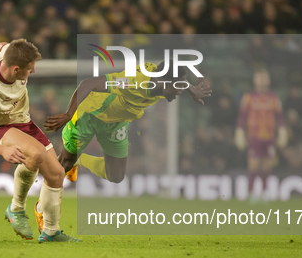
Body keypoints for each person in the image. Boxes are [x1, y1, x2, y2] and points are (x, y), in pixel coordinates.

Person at [0, 38, 79, 243]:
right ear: (16, 69)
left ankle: (51, 232)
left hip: (21, 120)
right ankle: (16, 209)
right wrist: (2, 151)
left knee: (56, 174)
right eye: (30, 69)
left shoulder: (8, 52)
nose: (33, 71)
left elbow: (0, 45)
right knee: (36, 153)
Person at [43, 60, 212, 184]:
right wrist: (68, 114)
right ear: (166, 83)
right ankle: (41, 206)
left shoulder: (164, 83)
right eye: (179, 87)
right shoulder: (133, 82)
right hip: (91, 112)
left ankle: (81, 161)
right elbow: (89, 83)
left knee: (116, 176)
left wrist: (191, 88)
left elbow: (174, 75)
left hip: (117, 121)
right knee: (63, 165)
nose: (180, 92)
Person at [234, 68, 288, 202]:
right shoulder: (248, 97)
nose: (263, 81)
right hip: (254, 136)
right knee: (253, 165)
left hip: (269, 137)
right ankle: (252, 192)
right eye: (260, 78)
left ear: (269, 80)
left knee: (267, 166)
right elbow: (242, 116)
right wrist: (239, 132)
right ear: (255, 80)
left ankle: (264, 192)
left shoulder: (274, 98)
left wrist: (282, 132)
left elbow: (280, 117)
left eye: (265, 78)